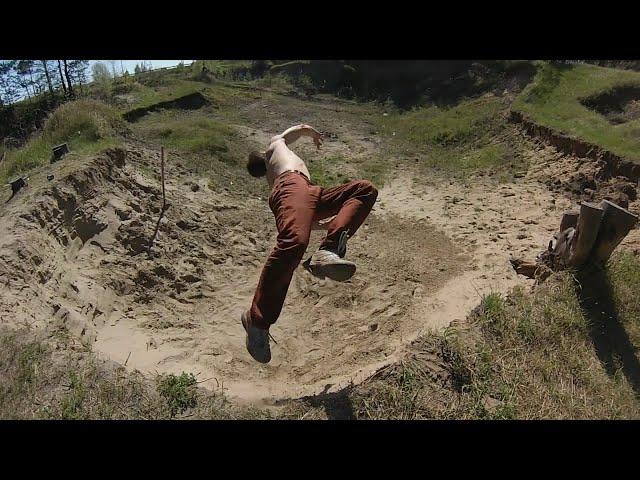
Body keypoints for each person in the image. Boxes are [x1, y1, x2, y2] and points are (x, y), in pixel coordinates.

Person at [241, 124, 378, 363]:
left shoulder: (273, 179)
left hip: (308, 192)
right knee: (293, 243)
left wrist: (326, 227)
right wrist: (308, 130)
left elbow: (300, 218)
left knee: (364, 190)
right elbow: (289, 133)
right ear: (263, 155)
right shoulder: (274, 146)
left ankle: (328, 249)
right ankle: (257, 320)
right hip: (293, 187)